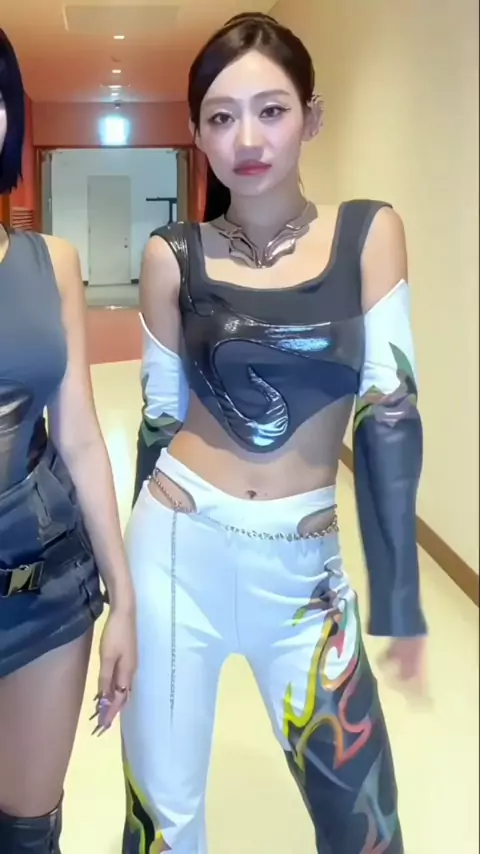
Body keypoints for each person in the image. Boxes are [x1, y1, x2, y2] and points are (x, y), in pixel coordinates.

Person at [121, 12, 427, 854]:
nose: (247, 139)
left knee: (367, 829)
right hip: (175, 551)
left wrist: (399, 599)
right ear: (196, 134)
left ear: (311, 117)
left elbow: (390, 410)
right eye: (221, 117)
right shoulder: (172, 255)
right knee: (164, 826)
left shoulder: (369, 233)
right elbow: (158, 420)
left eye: (272, 110)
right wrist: (124, 600)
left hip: (307, 574)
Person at [0, 29, 137, 853]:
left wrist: (124, 597)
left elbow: (80, 433)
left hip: (43, 584)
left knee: (27, 832)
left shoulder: (51, 262)